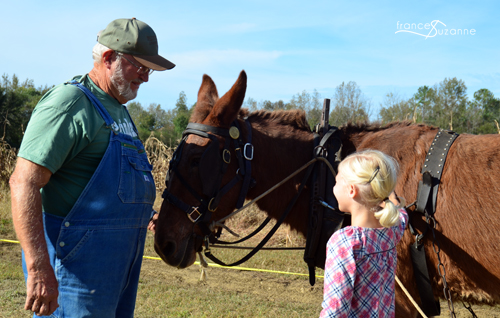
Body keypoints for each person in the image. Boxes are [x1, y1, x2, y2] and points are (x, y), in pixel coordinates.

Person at [9, 18, 175, 317]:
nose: (145, 78)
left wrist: (145, 213)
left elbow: (102, 185)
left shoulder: (118, 111)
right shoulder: (70, 104)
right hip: (75, 273)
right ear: (109, 57)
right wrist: (38, 268)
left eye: (149, 70)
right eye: (140, 67)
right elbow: (24, 183)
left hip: (117, 269)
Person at [320, 149, 408, 318]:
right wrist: (389, 195)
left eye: (337, 181)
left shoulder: (344, 243)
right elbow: (403, 216)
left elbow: (335, 310)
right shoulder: (391, 232)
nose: (334, 187)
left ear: (351, 190)